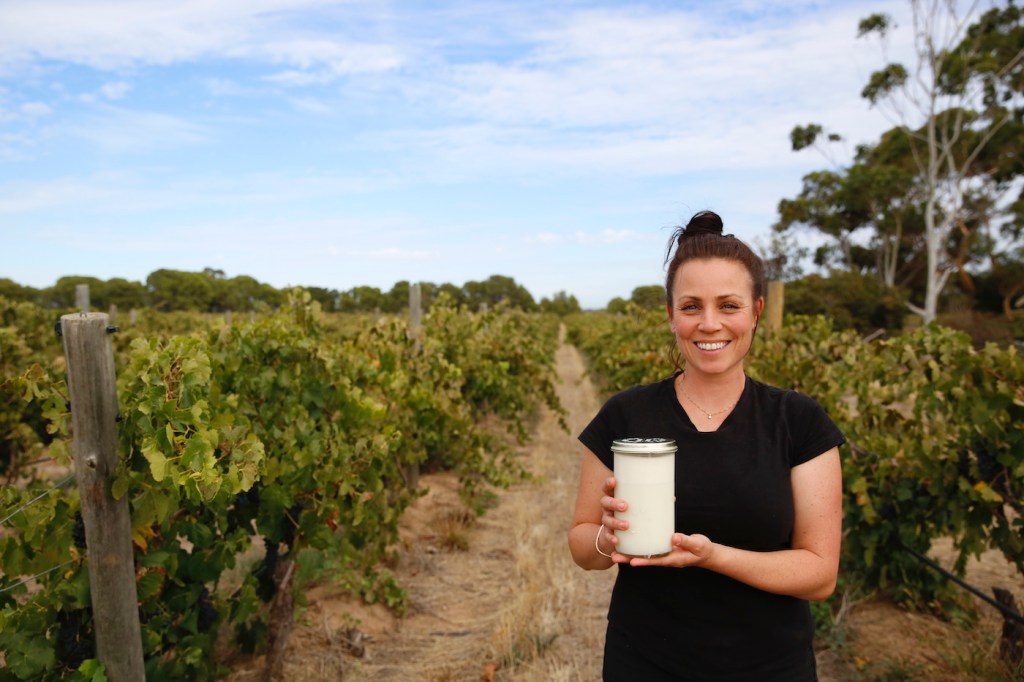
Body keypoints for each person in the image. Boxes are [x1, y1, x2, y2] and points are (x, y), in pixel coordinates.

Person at [568, 210, 844, 681]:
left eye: (729, 306)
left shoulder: (798, 421)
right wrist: (607, 537)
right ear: (671, 316)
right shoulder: (625, 414)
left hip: (770, 667)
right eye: (692, 306)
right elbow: (581, 544)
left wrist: (713, 556)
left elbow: (819, 575)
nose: (709, 323)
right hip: (644, 663)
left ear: (756, 313)